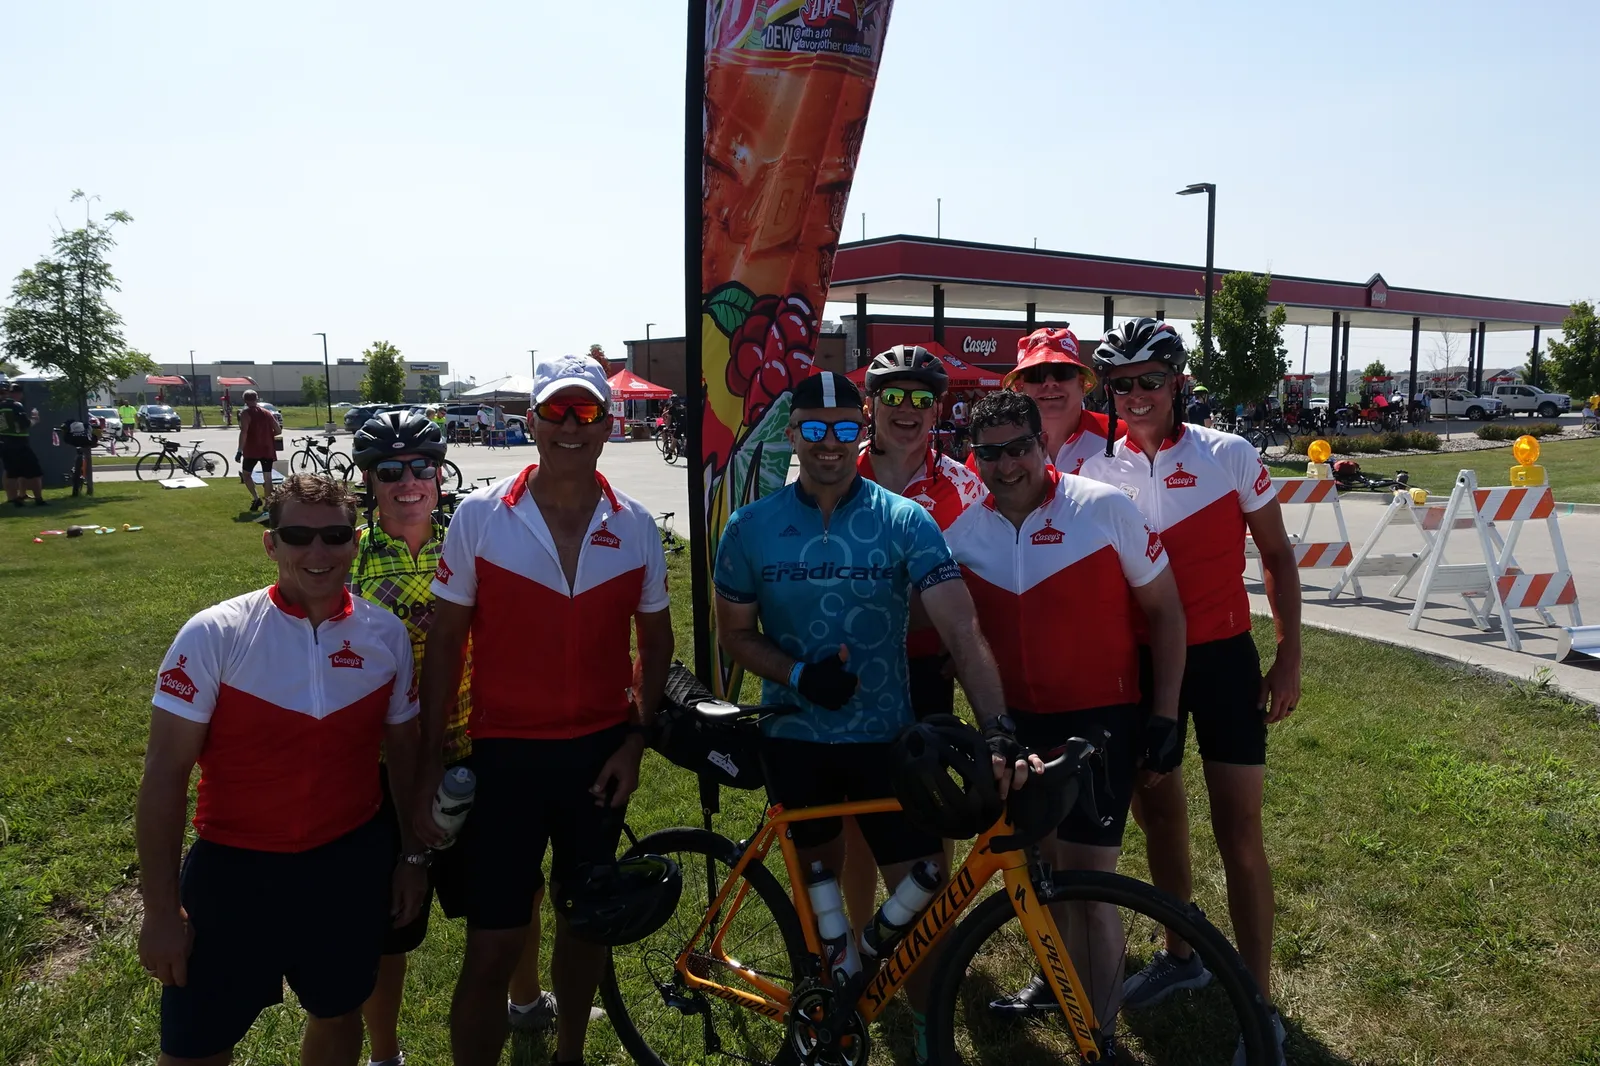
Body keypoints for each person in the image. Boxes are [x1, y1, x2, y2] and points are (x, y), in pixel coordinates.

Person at [713, 370, 1031, 1066]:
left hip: (890, 742)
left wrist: (998, 726)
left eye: (844, 428)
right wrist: (798, 675)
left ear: (862, 429)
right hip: (797, 740)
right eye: (815, 430)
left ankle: (928, 1040)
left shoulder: (904, 519)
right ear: (793, 434)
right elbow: (734, 634)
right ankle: (828, 1029)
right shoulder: (750, 527)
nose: (830, 444)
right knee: (823, 923)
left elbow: (962, 630)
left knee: (919, 910)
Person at [416, 354, 673, 1066]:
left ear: (608, 424)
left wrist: (634, 742)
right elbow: (444, 644)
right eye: (555, 412)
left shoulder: (638, 526)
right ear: (530, 423)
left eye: (585, 412)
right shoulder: (477, 517)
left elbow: (657, 641)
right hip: (504, 759)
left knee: (584, 924)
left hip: (596, 760)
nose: (569, 426)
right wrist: (435, 752)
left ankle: (569, 1056)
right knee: (493, 945)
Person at [137, 475, 425, 1066]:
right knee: (194, 1048)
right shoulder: (216, 633)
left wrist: (413, 858)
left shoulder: (385, 634)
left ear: (354, 540)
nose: (317, 553)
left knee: (338, 1015)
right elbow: (165, 776)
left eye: (334, 536)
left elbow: (405, 758)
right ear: (271, 543)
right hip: (235, 872)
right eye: (297, 535)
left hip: (345, 865)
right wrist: (162, 911)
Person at [1080, 319, 1302, 1066]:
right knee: (1160, 820)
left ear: (1178, 382)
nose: (1137, 395)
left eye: (1150, 380)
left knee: (1239, 831)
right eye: (1122, 384)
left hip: (1226, 661)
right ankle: (1182, 956)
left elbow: (1276, 554)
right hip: (1143, 668)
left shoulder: (1227, 454)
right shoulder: (1098, 471)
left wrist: (1290, 657)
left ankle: (1258, 1006)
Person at [947, 391, 1185, 1044]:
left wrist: (1164, 714)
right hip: (1018, 724)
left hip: (1099, 722)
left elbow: (1166, 611)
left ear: (1042, 443)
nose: (1006, 465)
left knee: (1087, 884)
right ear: (976, 457)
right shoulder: (964, 533)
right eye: (989, 453)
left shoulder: (1103, 507)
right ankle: (1062, 987)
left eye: (1019, 447)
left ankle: (1099, 1036)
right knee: (1042, 875)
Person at [345, 413, 557, 1065]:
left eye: (422, 468)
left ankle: (526, 1004)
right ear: (369, 482)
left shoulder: (476, 538)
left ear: (441, 473)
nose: (409, 483)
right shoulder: (343, 553)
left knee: (515, 892)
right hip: (383, 765)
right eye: (390, 472)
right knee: (387, 926)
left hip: (478, 746)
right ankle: (385, 1055)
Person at [991, 326, 1112, 476]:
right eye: (1036, 374)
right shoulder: (990, 448)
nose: (1049, 383)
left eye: (1062, 372)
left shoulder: (1121, 435)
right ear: (1019, 387)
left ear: (1081, 383)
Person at [1, 382, 45, 506]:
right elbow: (24, 424)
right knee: (35, 472)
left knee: (11, 473)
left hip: (5, 442)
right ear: (17, 393)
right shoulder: (16, 405)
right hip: (19, 442)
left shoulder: (1, 406)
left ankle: (14, 499)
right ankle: (39, 499)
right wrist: (34, 420)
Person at [236, 389, 278, 512]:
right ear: (257, 398)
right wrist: (268, 435)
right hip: (267, 449)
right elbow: (278, 430)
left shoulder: (245, 414)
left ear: (245, 400)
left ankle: (256, 497)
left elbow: (244, 432)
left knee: (246, 474)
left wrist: (240, 450)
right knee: (268, 477)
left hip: (252, 450)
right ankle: (268, 504)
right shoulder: (267, 413)